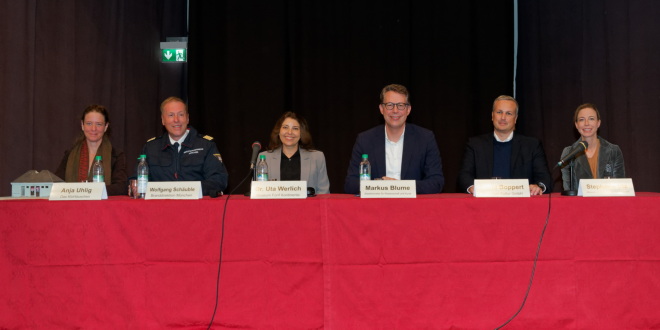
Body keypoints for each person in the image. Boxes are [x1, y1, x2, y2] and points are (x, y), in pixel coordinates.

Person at [344, 84, 444, 194]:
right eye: (389, 105)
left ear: (408, 110)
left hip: (413, 208)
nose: (395, 110)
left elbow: (436, 182)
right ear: (381, 109)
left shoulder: (425, 138)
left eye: (400, 105)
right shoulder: (365, 140)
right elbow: (350, 184)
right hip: (375, 208)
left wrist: (399, 186)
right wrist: (381, 186)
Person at [457, 95, 552, 195]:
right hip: (483, 204)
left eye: (508, 113)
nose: (503, 117)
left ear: (515, 119)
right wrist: (472, 187)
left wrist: (538, 187)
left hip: (521, 206)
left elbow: (545, 179)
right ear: (492, 115)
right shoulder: (475, 144)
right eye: (499, 112)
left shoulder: (532, 145)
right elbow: (464, 176)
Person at [141, 97, 228, 196]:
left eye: (181, 115)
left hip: (197, 207)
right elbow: (136, 180)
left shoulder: (206, 145)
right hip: (160, 208)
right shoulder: (150, 148)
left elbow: (219, 180)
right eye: (171, 115)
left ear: (187, 118)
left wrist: (186, 190)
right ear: (163, 120)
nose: (176, 120)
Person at [55, 104, 127, 195]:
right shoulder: (70, 154)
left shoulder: (116, 155)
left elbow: (121, 187)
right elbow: (56, 184)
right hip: (73, 207)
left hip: (104, 208)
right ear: (82, 125)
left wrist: (91, 191)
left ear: (106, 127)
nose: (93, 129)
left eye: (99, 124)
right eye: (89, 123)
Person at [259, 112, 330, 194]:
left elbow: (324, 193)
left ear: (301, 133)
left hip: (308, 207)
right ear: (279, 131)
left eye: (295, 128)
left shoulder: (317, 157)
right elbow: (257, 192)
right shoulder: (264, 158)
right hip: (273, 206)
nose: (289, 132)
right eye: (285, 127)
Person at [560, 103, 625, 190]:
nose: (586, 123)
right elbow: (568, 190)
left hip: (608, 202)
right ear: (576, 125)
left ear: (598, 123)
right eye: (582, 119)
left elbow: (619, 189)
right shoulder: (568, 153)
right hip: (580, 203)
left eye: (591, 119)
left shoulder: (614, 151)